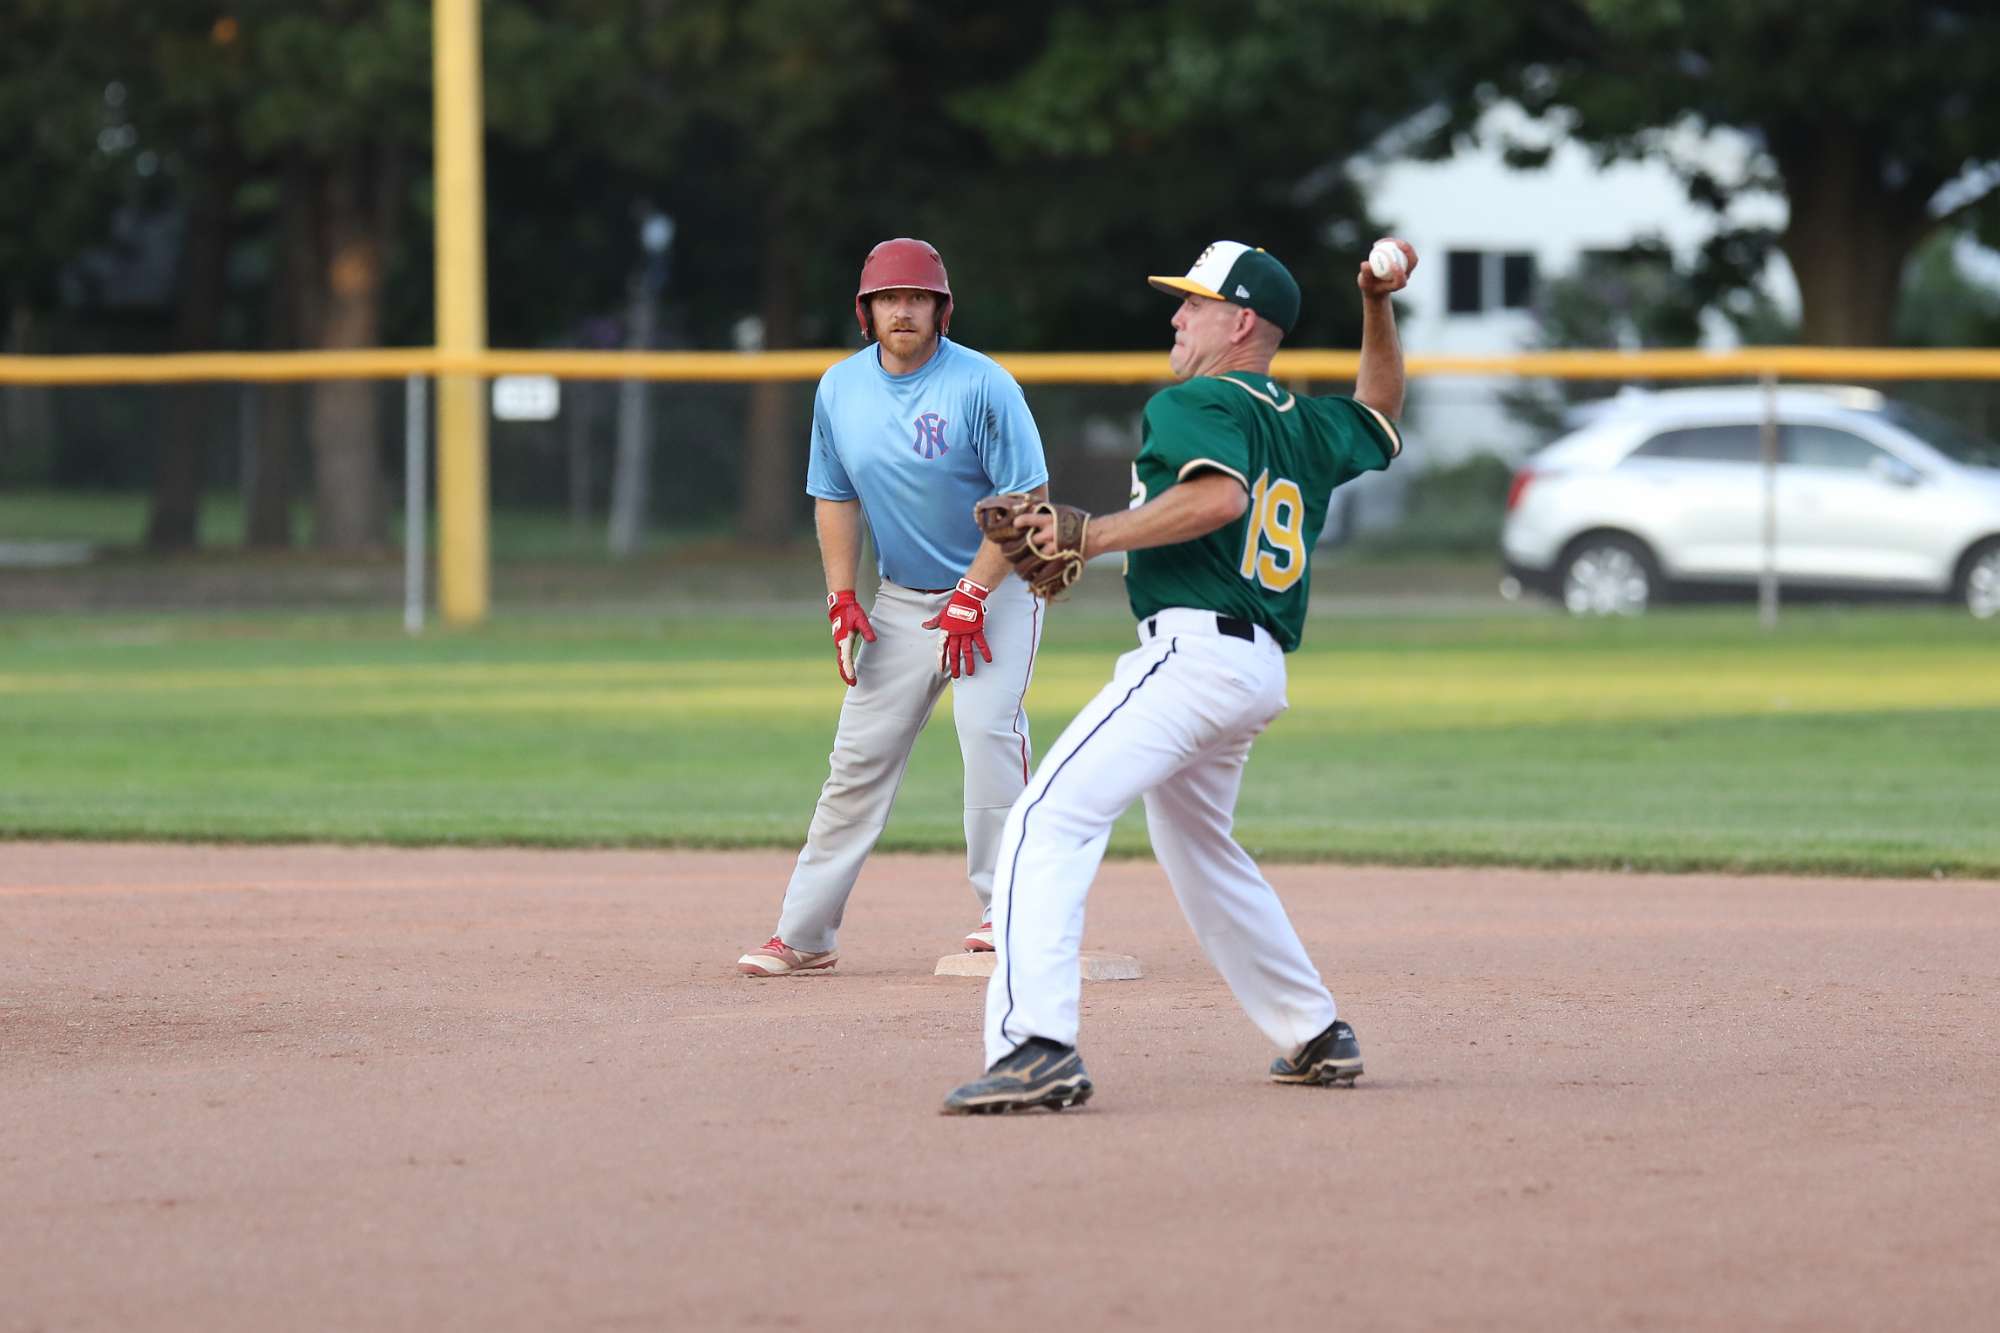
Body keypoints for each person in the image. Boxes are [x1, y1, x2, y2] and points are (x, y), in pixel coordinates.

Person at [941, 237, 1415, 1111]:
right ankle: (1314, 1030)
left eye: (1194, 303)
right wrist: (1377, 305)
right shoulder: (1307, 423)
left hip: (1193, 656)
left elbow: (1220, 497)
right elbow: (1380, 413)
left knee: (1045, 818)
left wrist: (1092, 534)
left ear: (1241, 324)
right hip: (1254, 668)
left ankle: (1036, 1046)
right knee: (1198, 845)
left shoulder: (1198, 400)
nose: (1177, 316)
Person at [737, 238, 1052, 976]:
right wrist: (842, 597)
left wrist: (974, 594)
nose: (902, 310)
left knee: (987, 731)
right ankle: (804, 934)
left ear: (941, 309)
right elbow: (834, 495)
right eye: (888, 298)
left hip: (998, 590)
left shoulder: (983, 384)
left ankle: (1010, 913)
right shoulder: (840, 388)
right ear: (866, 311)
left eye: (916, 298)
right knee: (856, 761)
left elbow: (1025, 498)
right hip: (902, 600)